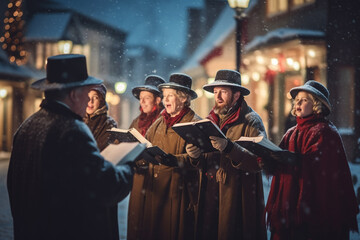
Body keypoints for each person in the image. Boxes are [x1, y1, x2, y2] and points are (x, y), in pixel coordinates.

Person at [7, 54, 135, 240]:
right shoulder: (72, 130)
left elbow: (14, 186)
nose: (88, 102)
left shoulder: (27, 125)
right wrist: (128, 167)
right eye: (86, 93)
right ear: (74, 95)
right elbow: (104, 187)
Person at [264, 80, 359, 240]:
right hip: (289, 208)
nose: (298, 102)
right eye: (297, 100)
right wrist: (268, 161)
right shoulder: (291, 132)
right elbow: (279, 160)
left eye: (304, 99)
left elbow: (319, 169)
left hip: (311, 208)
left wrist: (292, 159)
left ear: (316, 104)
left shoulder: (325, 132)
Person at [186, 69, 267, 240]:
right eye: (216, 92)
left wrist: (230, 148)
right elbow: (204, 161)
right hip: (210, 194)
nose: (218, 97)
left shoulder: (251, 120)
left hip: (237, 197)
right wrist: (195, 156)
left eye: (223, 91)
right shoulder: (209, 121)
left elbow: (260, 161)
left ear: (236, 95)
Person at [127, 73, 201, 240]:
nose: (166, 99)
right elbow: (146, 146)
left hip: (177, 194)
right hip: (156, 192)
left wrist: (177, 160)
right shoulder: (159, 122)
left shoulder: (195, 123)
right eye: (164, 95)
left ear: (183, 99)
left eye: (170, 96)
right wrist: (135, 158)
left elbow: (200, 159)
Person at [84, 84, 117, 151]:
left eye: (95, 97)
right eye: (88, 96)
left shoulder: (108, 124)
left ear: (101, 101)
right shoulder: (76, 117)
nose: (90, 101)